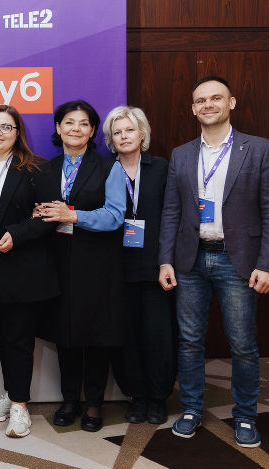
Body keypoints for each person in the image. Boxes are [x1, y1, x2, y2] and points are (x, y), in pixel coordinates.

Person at [159, 76, 269, 448]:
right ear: (192, 109)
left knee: (243, 344)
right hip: (190, 260)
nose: (208, 104)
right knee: (189, 341)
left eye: (216, 98)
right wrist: (165, 260)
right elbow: (171, 212)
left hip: (238, 260)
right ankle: (191, 409)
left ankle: (245, 415)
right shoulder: (181, 154)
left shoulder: (259, 149)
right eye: (201, 100)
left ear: (232, 103)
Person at [36, 100, 126, 432]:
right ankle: (70, 400)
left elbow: (115, 215)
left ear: (92, 131)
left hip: (97, 264)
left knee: (96, 335)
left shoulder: (109, 167)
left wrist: (73, 215)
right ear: (58, 128)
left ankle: (94, 404)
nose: (76, 128)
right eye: (69, 122)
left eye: (84, 123)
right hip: (57, 263)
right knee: (65, 335)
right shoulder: (45, 169)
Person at [0, 105, 59, 438]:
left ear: (17, 132)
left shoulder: (36, 168)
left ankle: (20, 406)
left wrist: (18, 234)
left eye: (6, 127)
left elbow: (49, 215)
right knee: (2, 334)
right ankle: (11, 394)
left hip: (21, 267)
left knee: (19, 338)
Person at [102, 106, 175, 425]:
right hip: (116, 268)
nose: (123, 136)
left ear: (142, 134)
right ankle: (137, 396)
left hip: (156, 266)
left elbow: (173, 216)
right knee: (126, 336)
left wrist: (167, 260)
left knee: (158, 335)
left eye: (129, 130)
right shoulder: (105, 170)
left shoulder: (161, 168)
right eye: (117, 132)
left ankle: (158, 397)